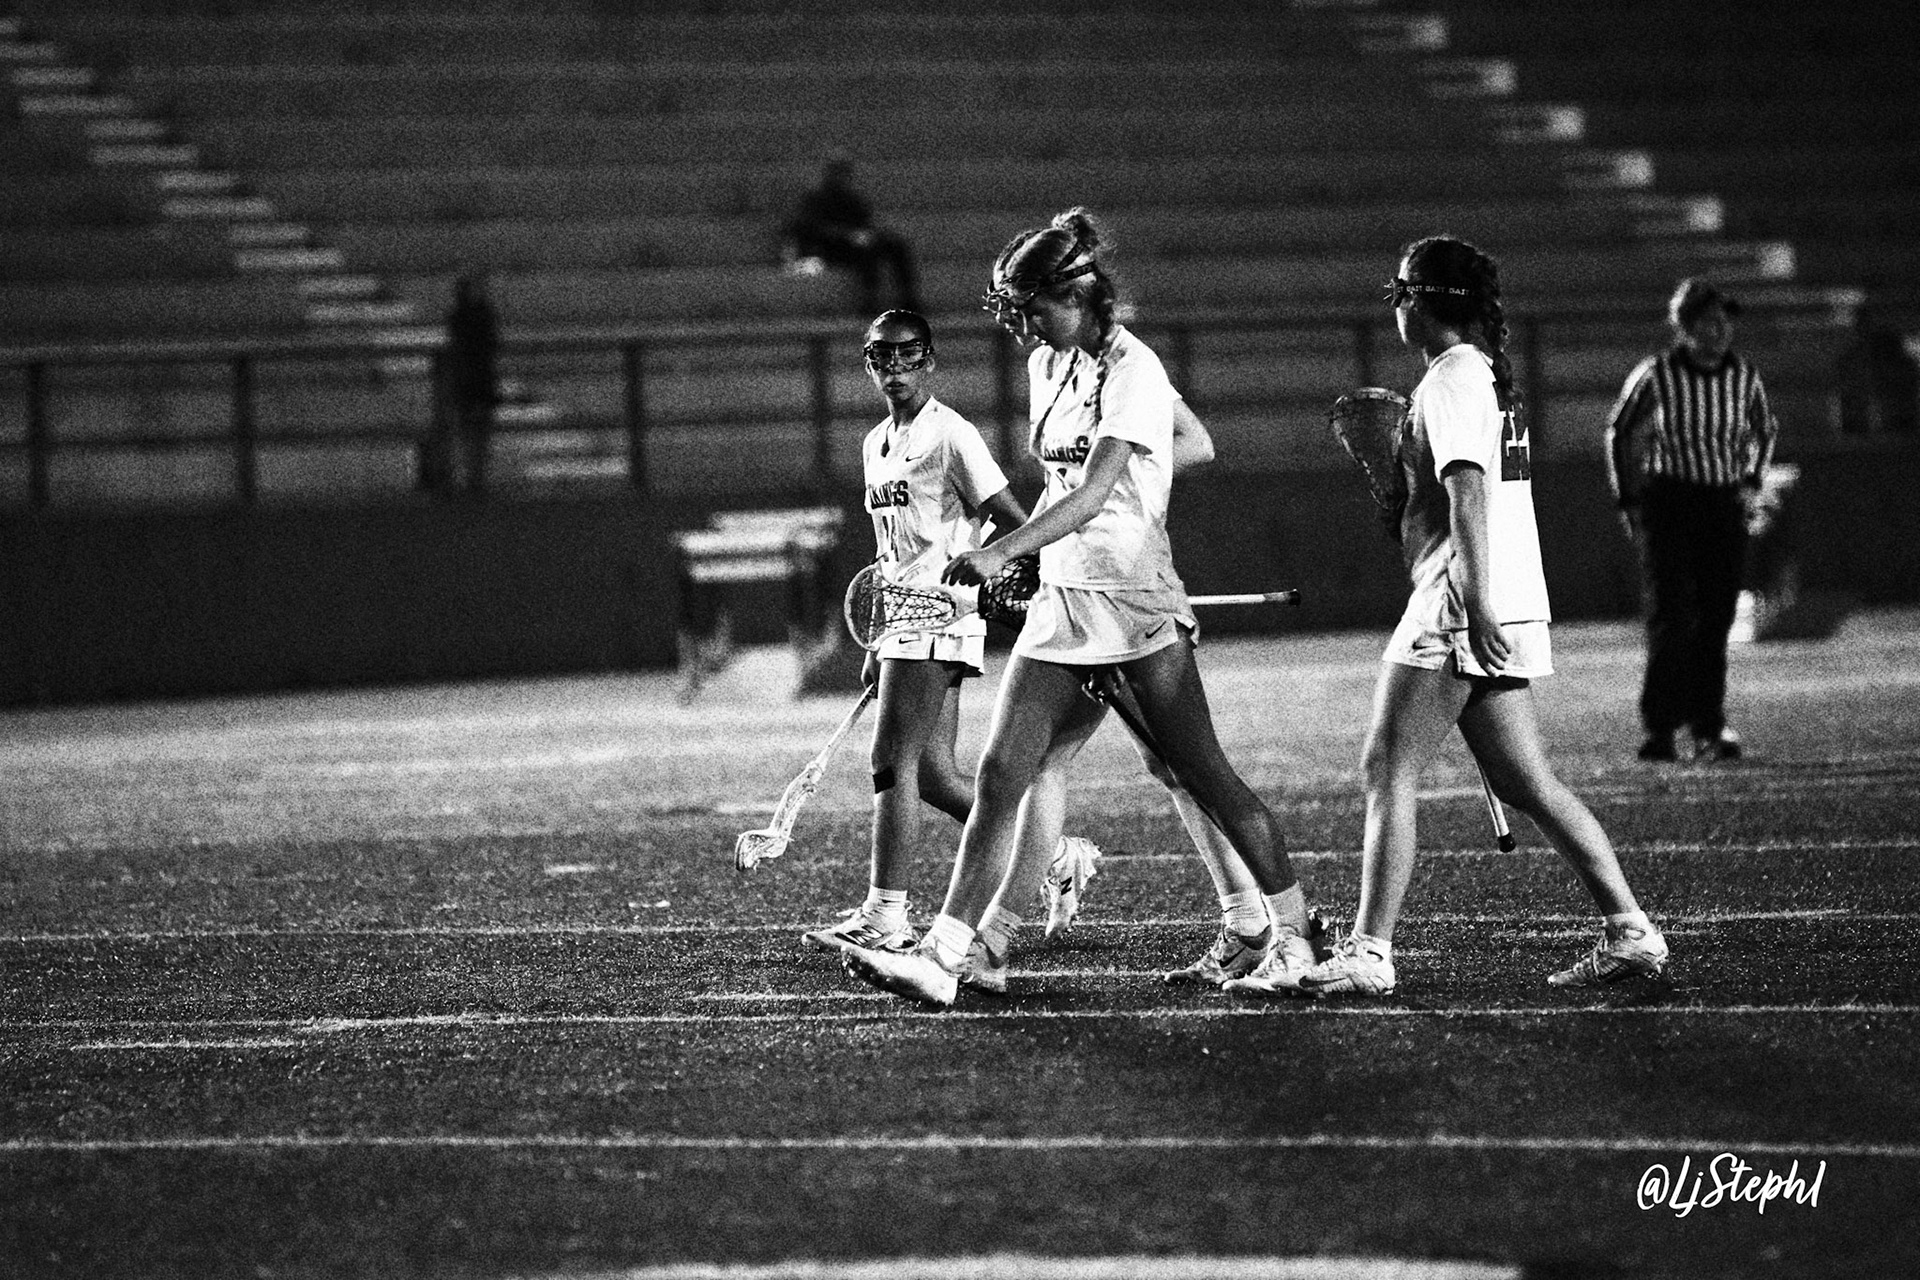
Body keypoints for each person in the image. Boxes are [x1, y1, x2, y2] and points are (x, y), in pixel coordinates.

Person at [843, 207, 1323, 1007]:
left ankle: (1293, 934)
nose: (1024, 327)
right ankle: (948, 953)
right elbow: (1070, 484)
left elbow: (1102, 489)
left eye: (1034, 309)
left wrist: (1008, 548)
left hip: (1130, 600)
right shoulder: (1048, 363)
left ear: (1075, 296)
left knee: (1200, 774)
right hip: (1063, 600)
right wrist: (1043, 550)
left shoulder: (1135, 370)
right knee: (1003, 771)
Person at [1289, 235, 1669, 999]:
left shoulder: (1451, 380)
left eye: (1400, 293)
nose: (1395, 307)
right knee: (1527, 782)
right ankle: (1631, 931)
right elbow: (1453, 499)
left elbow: (1468, 495)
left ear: (1422, 303)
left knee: (1386, 768)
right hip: (1502, 596)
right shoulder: (1485, 375)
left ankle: (1370, 952)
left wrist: (1475, 602)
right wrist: (1404, 499)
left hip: (1464, 602)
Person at [800, 310, 1101, 955]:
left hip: (939, 614)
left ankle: (886, 915)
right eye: (882, 357)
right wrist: (880, 636)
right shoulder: (876, 442)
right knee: (934, 775)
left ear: (930, 361)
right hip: (901, 621)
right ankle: (1052, 854)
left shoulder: (952, 435)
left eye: (909, 355)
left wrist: (996, 567)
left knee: (891, 762)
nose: (896, 368)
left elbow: (1012, 519)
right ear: (869, 365)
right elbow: (891, 551)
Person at [1605, 278, 1780, 763]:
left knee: (1716, 616)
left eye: (1725, 322)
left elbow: (1764, 429)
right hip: (1671, 503)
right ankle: (1660, 728)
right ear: (1685, 326)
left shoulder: (1743, 375)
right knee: (1671, 615)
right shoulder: (1658, 373)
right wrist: (1628, 500)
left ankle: (1708, 724)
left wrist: (1751, 480)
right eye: (1709, 321)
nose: (1721, 330)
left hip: (1722, 504)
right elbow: (1620, 431)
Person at [783, 155, 922, 316]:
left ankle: (908, 297)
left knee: (896, 245)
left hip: (857, 242)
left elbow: (866, 223)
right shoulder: (815, 200)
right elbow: (813, 229)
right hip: (830, 248)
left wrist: (867, 235)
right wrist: (847, 235)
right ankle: (869, 300)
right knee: (866, 252)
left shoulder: (852, 200)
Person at [438, 272, 500, 494]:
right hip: (474, 379)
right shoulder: (475, 316)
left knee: (473, 431)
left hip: (472, 379)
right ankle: (472, 477)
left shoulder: (467, 316)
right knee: (472, 431)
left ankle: (472, 477)